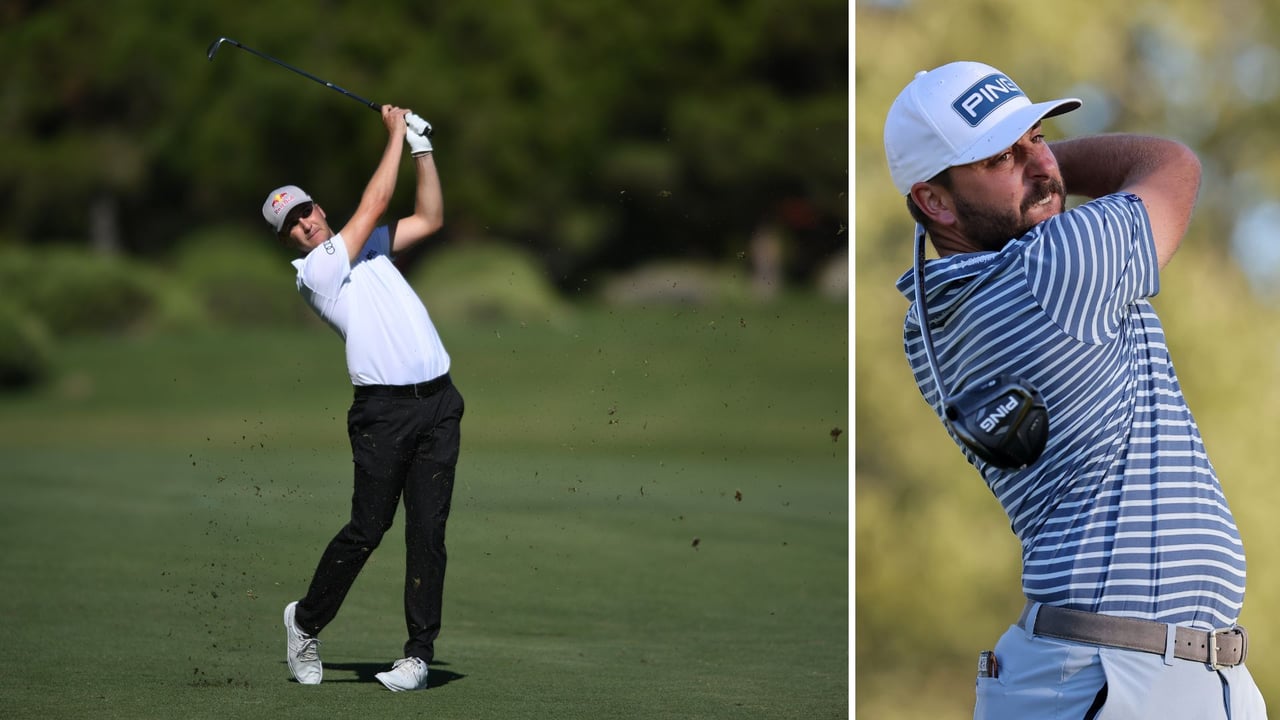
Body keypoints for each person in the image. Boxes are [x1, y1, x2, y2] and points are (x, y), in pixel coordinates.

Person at [884, 61, 1267, 718]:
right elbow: (1170, 163)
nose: (1041, 167)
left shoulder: (930, 318)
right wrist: (1055, 161)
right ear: (935, 201)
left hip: (1138, 672)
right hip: (1121, 677)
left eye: (1039, 137)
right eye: (1003, 156)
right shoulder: (1057, 268)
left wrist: (1016, 166)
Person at [263, 104, 462, 693]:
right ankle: (304, 621)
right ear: (288, 240)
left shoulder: (371, 247)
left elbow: (429, 217)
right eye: (291, 224)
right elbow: (374, 202)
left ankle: (417, 657)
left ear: (319, 207)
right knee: (366, 530)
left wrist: (423, 150)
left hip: (440, 404)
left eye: (306, 210)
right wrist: (397, 133)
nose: (303, 223)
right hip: (383, 414)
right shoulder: (315, 272)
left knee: (428, 532)